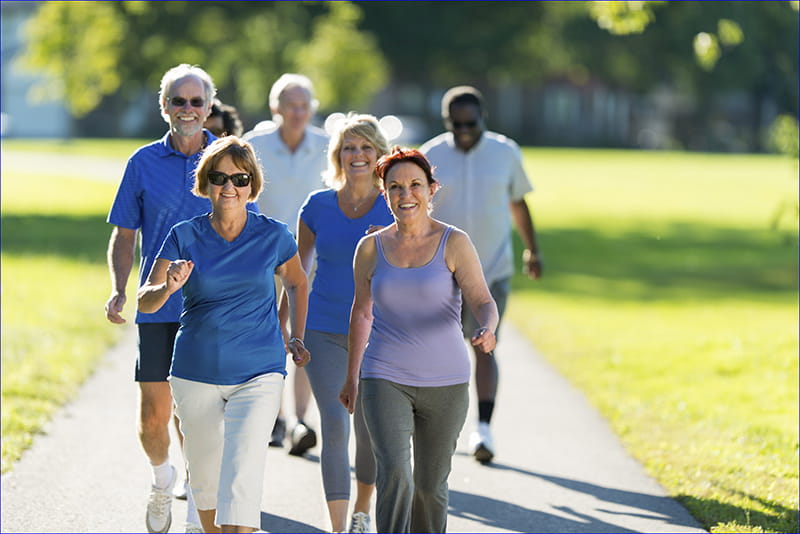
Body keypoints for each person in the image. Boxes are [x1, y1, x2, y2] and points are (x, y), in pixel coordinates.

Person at [137, 135, 311, 533]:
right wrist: (168, 287)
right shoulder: (184, 235)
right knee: (206, 483)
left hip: (260, 372)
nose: (229, 186)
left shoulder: (274, 235)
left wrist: (294, 334)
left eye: (240, 177)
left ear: (252, 185)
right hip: (195, 372)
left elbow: (299, 284)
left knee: (242, 475)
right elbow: (144, 301)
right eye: (219, 177)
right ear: (205, 185)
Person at [339, 147, 499, 533]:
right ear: (384, 193)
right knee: (395, 474)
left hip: (446, 382)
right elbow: (361, 312)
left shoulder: (454, 242)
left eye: (414, 185)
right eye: (394, 187)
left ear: (431, 189)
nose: (405, 194)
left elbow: (482, 299)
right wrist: (352, 376)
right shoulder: (370, 248)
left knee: (430, 487)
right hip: (384, 376)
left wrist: (487, 328)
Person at [105, 63, 225, 533]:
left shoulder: (229, 160)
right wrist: (118, 289)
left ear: (209, 107)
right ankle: (162, 480)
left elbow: (247, 234)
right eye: (180, 101)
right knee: (154, 417)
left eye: (197, 102)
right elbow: (123, 234)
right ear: (165, 107)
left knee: (201, 415)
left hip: (211, 309)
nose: (189, 109)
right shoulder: (141, 163)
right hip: (157, 305)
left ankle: (199, 503)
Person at [419, 85, 542, 465]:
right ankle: (437, 428)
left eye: (470, 123)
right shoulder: (431, 154)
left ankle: (483, 428)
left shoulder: (505, 152)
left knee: (485, 345)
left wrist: (532, 250)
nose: (464, 131)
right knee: (439, 350)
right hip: (439, 272)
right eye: (456, 125)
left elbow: (518, 202)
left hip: (493, 269)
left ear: (483, 118)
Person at [297, 114, 393, 533]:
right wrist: (291, 329)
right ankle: (338, 528)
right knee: (334, 425)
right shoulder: (316, 205)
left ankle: (362, 511)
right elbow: (297, 273)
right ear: (338, 155)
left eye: (366, 147)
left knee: (368, 427)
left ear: (379, 155)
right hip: (323, 328)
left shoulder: (395, 204)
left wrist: (390, 237)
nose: (357, 155)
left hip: (379, 333)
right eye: (349, 148)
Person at [243, 73, 328, 455]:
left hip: (312, 259)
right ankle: (274, 419)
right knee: (267, 336)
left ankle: (300, 420)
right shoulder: (254, 146)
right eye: (290, 105)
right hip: (262, 257)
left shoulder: (328, 146)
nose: (297, 112)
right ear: (275, 108)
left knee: (302, 336)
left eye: (303, 105)